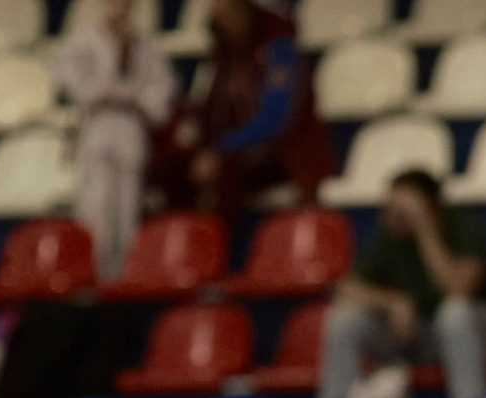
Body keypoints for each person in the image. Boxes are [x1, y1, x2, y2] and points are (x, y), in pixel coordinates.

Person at [320, 171, 486, 398]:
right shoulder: (389, 233)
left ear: (431, 208)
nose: (392, 216)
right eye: (390, 208)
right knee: (345, 318)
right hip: (418, 335)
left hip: (477, 332)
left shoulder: (462, 224)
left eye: (403, 210)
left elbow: (458, 287)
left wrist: (423, 228)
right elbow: (345, 289)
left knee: (455, 313)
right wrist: (392, 302)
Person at [156, 0, 330, 224]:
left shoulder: (278, 44)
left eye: (227, 13)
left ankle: (215, 248)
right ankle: (179, 248)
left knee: (223, 171)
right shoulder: (224, 55)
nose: (223, 22)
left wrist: (219, 150)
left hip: (284, 157)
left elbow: (274, 119)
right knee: (175, 167)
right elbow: (208, 110)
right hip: (237, 154)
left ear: (243, 8)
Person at [55, 0, 175, 279]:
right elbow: (72, 83)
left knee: (127, 212)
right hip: (97, 129)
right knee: (95, 211)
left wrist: (132, 95)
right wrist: (105, 90)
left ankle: (122, 282)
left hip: (130, 130)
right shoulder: (84, 42)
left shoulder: (144, 46)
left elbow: (160, 92)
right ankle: (92, 280)